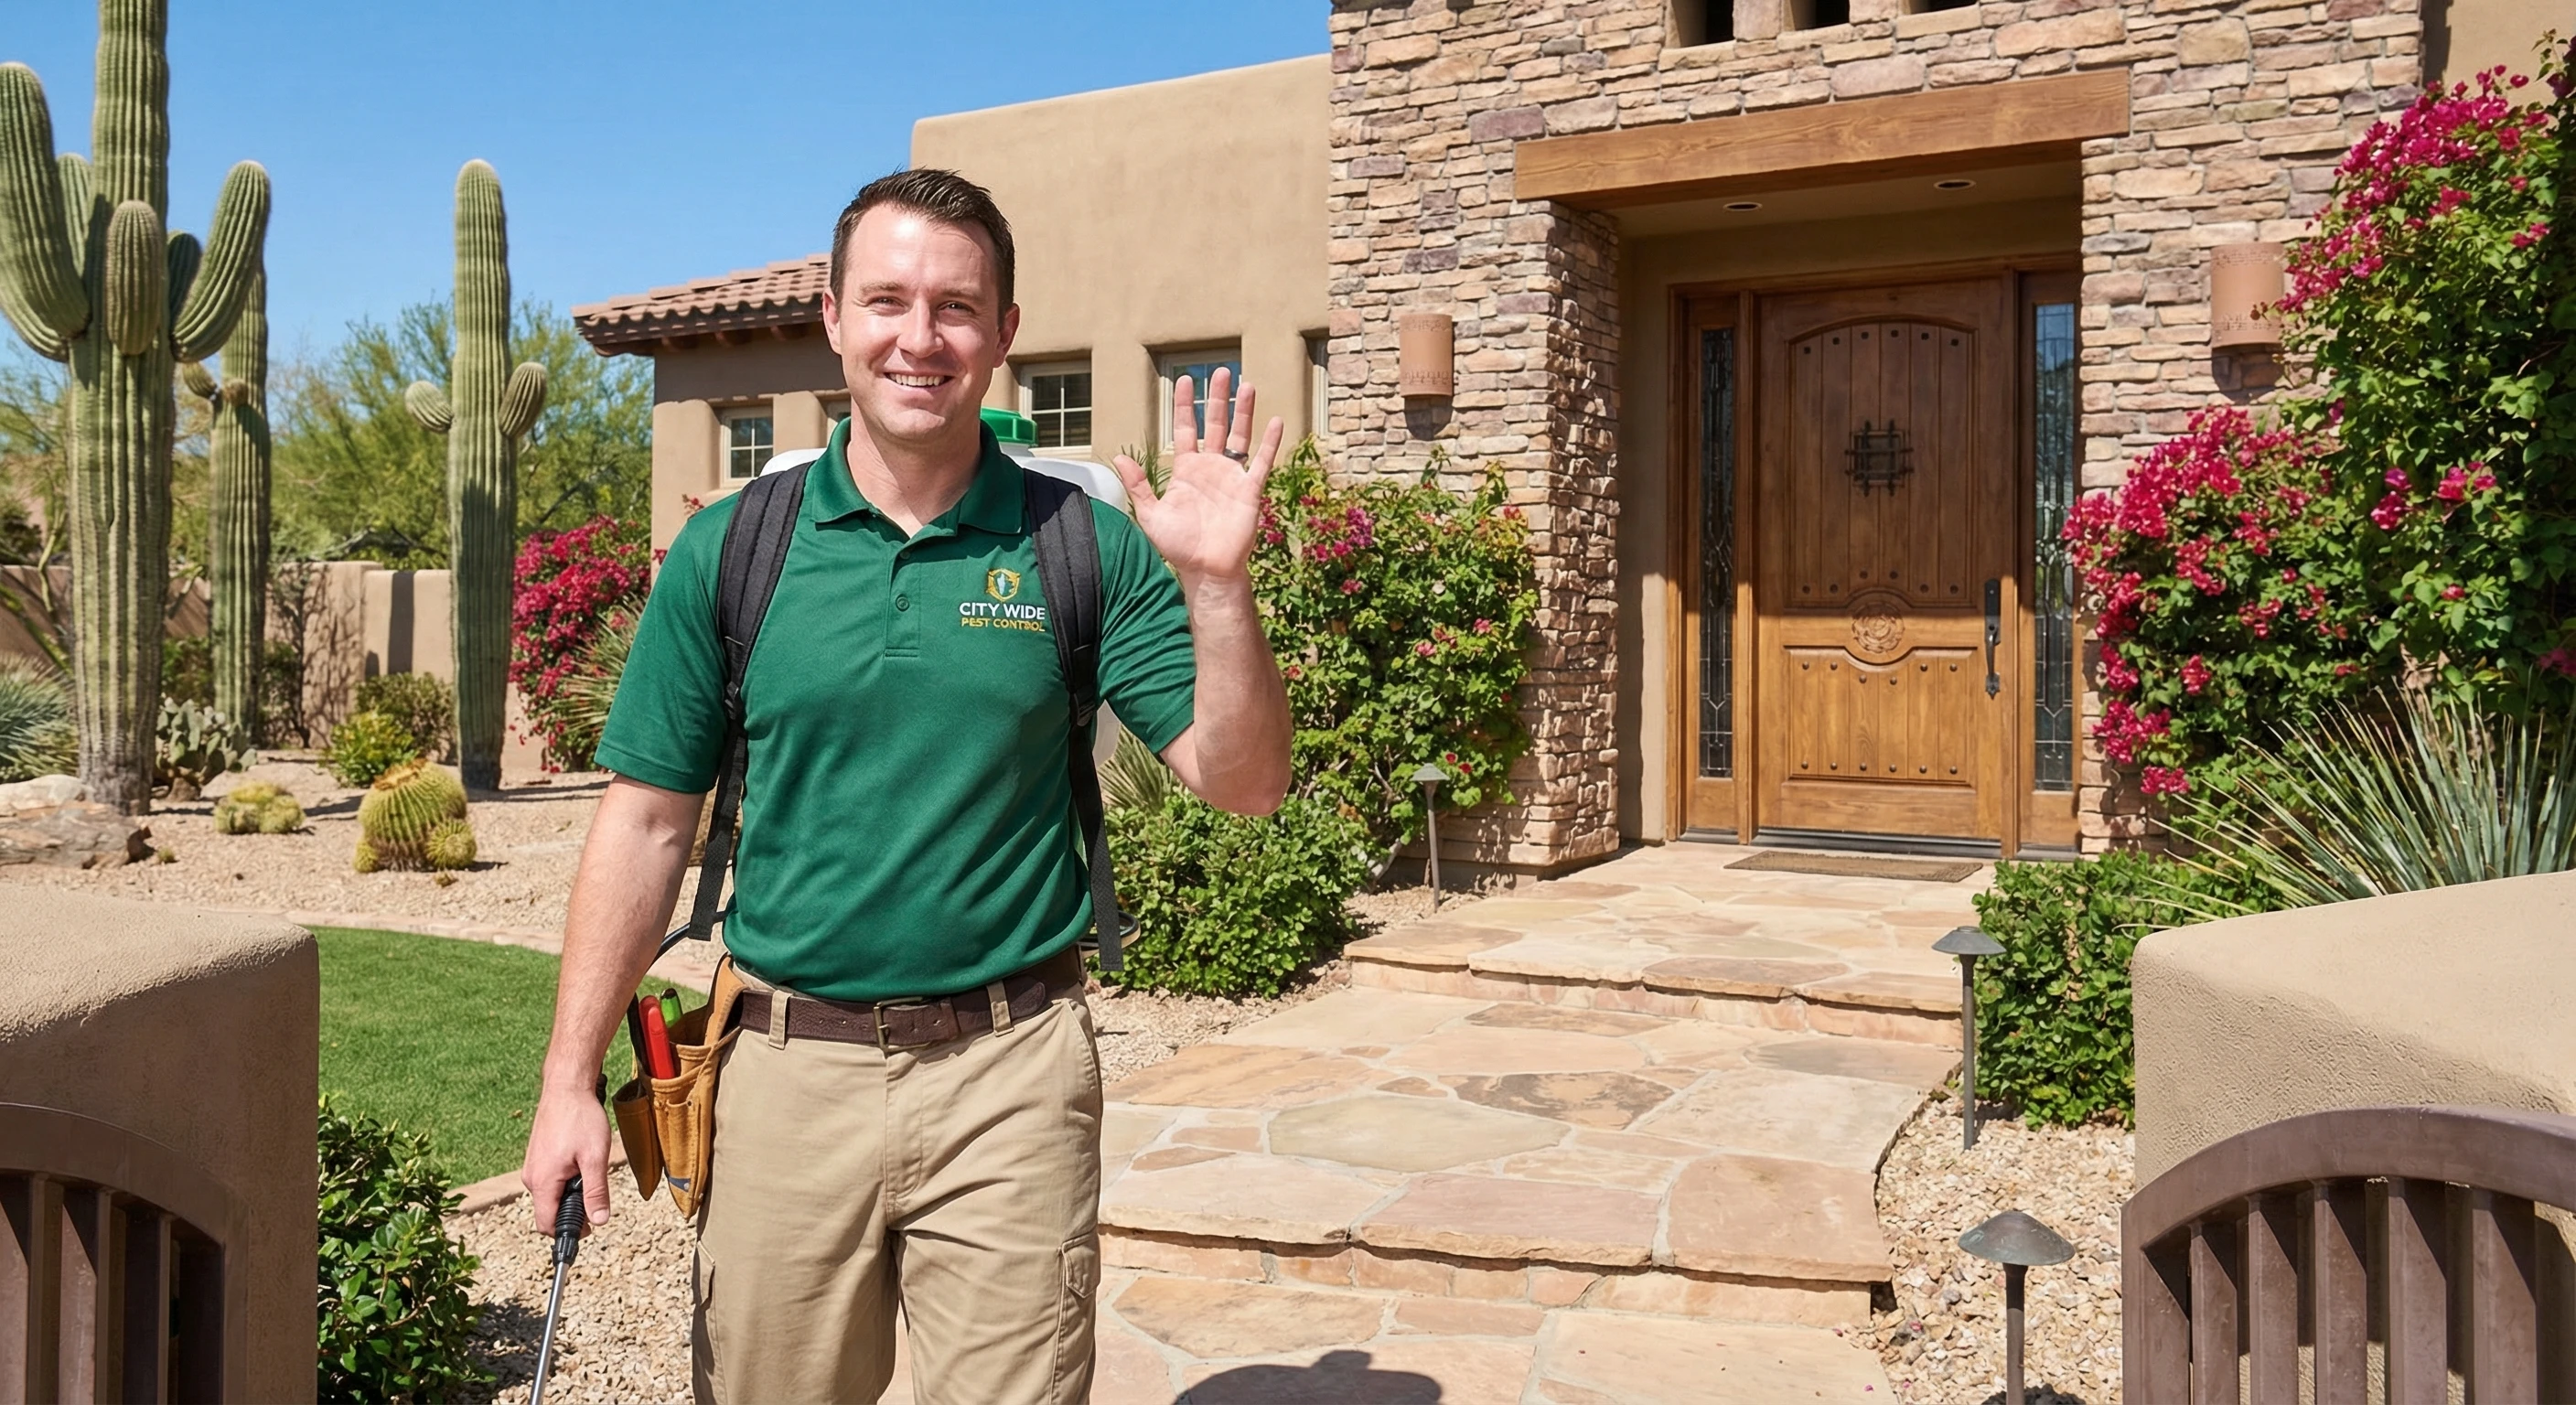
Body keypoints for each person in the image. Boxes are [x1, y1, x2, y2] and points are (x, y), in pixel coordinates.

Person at [520, 166, 1292, 1403]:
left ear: (1002, 337)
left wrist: (1216, 587)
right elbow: (650, 823)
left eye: (955, 307)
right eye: (886, 301)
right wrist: (566, 1083)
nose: (918, 338)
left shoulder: (1079, 545)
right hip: (781, 1074)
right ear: (833, 318)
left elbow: (1244, 784)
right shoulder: (737, 550)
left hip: (1013, 1077)